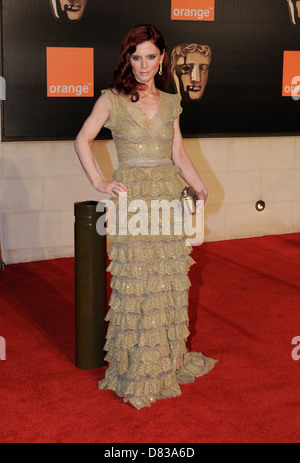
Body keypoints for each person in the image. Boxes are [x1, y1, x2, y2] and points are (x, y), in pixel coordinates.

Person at [74, 24, 217, 410]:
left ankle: (167, 362)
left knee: (167, 277)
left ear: (161, 58)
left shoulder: (171, 102)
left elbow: (179, 155)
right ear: (128, 59)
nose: (142, 64)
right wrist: (100, 182)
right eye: (135, 56)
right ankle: (134, 365)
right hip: (132, 201)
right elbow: (82, 139)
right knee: (136, 279)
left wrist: (200, 186)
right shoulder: (112, 98)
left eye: (150, 56)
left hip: (167, 200)